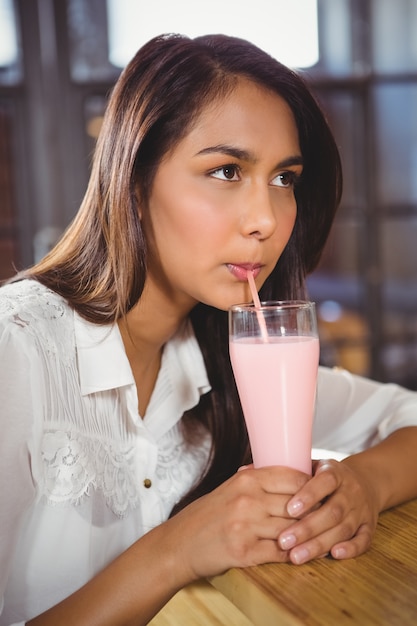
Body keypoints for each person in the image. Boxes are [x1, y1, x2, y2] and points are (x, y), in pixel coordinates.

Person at [1, 32, 416, 626]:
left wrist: (365, 486)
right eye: (226, 171)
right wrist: (179, 548)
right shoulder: (16, 347)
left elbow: (408, 418)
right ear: (135, 179)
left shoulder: (234, 356)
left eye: (284, 179)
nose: (265, 221)